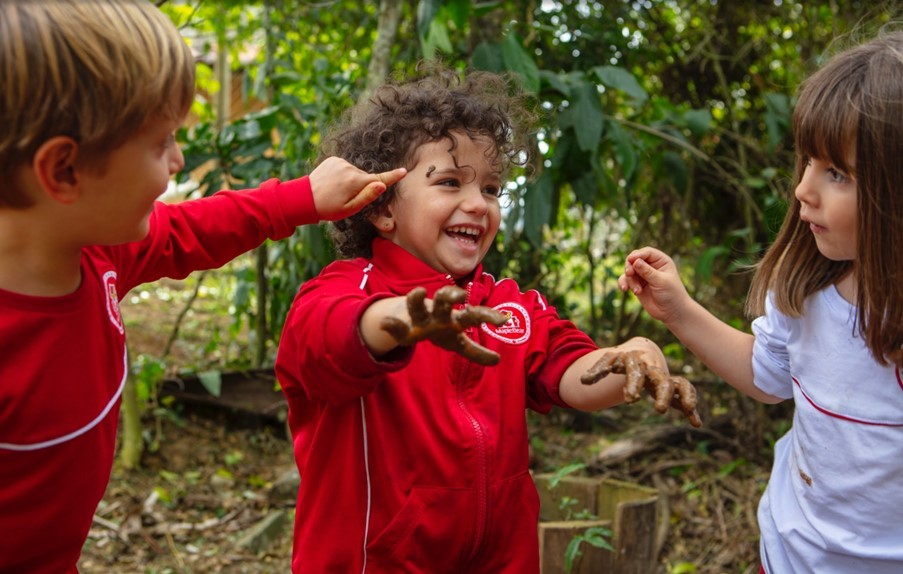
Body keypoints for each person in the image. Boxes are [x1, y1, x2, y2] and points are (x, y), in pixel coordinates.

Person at [0, 2, 405, 573]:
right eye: (161, 141)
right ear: (64, 170)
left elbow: (189, 232)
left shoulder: (97, 251)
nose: (178, 157)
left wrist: (303, 198)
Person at [274, 65, 700, 573]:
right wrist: (398, 320)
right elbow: (323, 339)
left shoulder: (510, 305)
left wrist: (631, 355)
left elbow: (573, 375)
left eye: (493, 189)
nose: (478, 204)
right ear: (382, 208)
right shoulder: (343, 291)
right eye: (450, 182)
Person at [619, 31, 903, 574]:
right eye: (808, 164)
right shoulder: (807, 289)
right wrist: (679, 310)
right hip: (789, 553)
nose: (802, 189)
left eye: (837, 173)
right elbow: (767, 374)